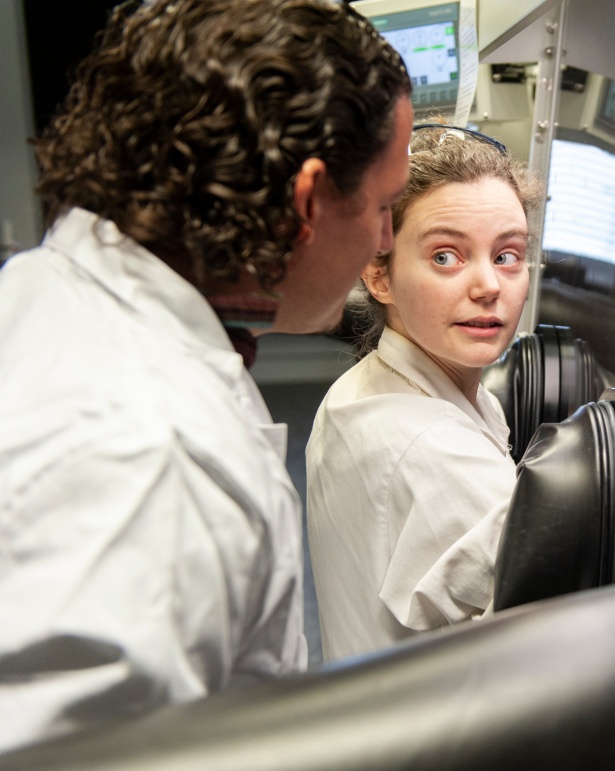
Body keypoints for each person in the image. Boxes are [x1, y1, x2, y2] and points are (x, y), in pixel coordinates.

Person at [0, 0, 412, 753]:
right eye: (386, 205)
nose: (386, 238)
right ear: (307, 199)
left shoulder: (41, 284)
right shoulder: (153, 460)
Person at [306, 125, 541, 660]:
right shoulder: (435, 450)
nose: (488, 286)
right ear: (379, 276)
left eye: (507, 255)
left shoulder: (362, 389)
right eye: (445, 257)